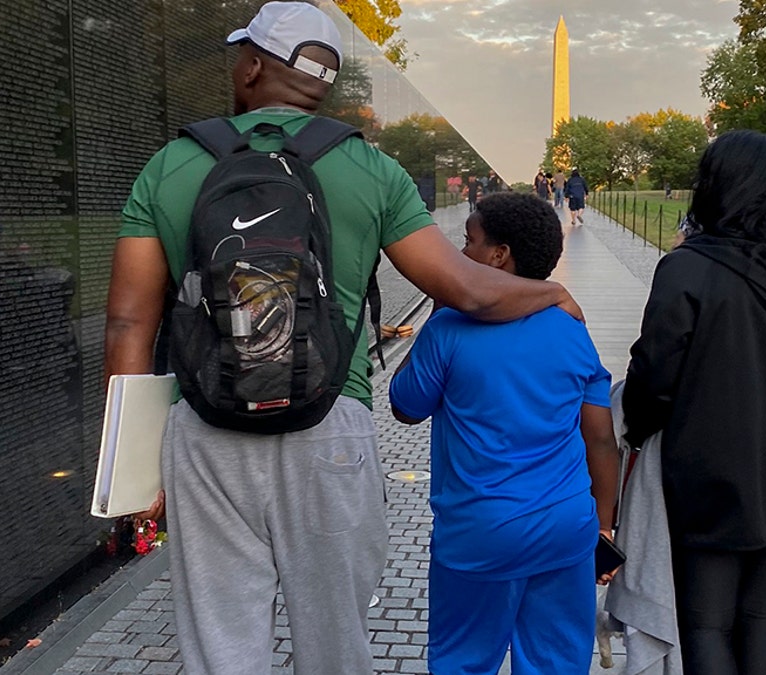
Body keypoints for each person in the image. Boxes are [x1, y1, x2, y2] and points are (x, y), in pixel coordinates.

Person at [103, 5, 583, 674]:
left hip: (207, 435)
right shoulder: (370, 171)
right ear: (322, 83)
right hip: (332, 427)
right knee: (336, 647)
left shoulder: (171, 165)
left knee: (222, 647)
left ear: (251, 67)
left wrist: (130, 475)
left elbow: (129, 322)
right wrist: (552, 291)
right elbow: (468, 289)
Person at [623, 130, 766, 674]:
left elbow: (655, 374)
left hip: (710, 464)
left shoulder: (689, 268)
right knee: (758, 614)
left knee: (705, 622)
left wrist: (633, 428)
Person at [390, 191, 619, 674]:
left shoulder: (450, 328)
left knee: (463, 661)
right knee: (556, 663)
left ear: (499, 256)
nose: (459, 254)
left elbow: (406, 406)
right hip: (565, 528)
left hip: (480, 534)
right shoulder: (570, 325)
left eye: (468, 241)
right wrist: (602, 522)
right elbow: (600, 438)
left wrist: (442, 304)